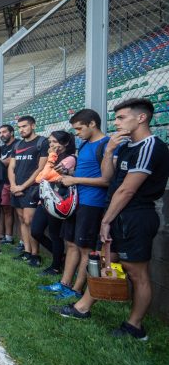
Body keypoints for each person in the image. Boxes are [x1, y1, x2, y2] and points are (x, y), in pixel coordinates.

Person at [54, 98, 169, 341]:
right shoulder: (126, 146)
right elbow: (109, 176)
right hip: (118, 213)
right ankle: (82, 308)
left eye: (121, 118)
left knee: (137, 273)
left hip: (135, 215)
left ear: (141, 118)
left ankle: (135, 327)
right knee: (106, 261)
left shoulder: (150, 146)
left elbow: (127, 190)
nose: (115, 123)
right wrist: (108, 151)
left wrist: (106, 221)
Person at [41, 109, 110, 300]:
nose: (76, 133)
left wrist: (75, 180)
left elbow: (107, 180)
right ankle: (64, 283)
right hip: (76, 201)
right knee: (70, 243)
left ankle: (77, 289)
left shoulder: (106, 145)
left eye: (79, 128)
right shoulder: (86, 144)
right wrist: (69, 175)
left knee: (85, 248)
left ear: (92, 124)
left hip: (92, 203)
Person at [29, 132, 76, 269]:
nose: (51, 145)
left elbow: (44, 177)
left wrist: (51, 156)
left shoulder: (70, 159)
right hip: (44, 201)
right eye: (50, 142)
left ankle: (55, 266)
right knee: (36, 231)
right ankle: (60, 256)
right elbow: (40, 178)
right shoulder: (55, 158)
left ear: (65, 143)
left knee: (55, 235)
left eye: (55, 142)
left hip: (57, 201)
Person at [8, 116, 48, 263]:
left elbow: (41, 168)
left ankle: (35, 254)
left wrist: (23, 186)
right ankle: (26, 251)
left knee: (29, 220)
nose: (21, 130)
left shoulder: (42, 142)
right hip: (16, 188)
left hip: (32, 188)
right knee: (21, 220)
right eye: (19, 127)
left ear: (33, 126)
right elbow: (11, 167)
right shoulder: (17, 145)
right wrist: (13, 185)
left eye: (24, 126)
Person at [0, 124, 18, 245]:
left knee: (19, 213)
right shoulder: (2, 147)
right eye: (0, 133)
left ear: (11, 132)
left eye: (4, 132)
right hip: (4, 182)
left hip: (16, 182)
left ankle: (18, 240)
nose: (2, 135)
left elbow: (7, 162)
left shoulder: (18, 144)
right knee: (6, 210)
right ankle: (7, 236)